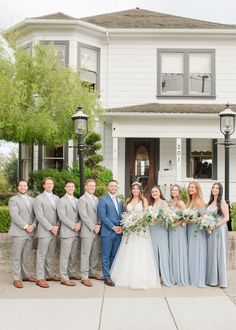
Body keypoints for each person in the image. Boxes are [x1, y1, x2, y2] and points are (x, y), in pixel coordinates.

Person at [110, 182, 160, 289]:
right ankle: (126, 277)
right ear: (131, 190)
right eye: (134, 189)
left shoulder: (144, 200)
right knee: (128, 251)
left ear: (140, 190)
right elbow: (125, 215)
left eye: (137, 189)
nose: (135, 190)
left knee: (140, 251)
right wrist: (127, 223)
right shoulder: (128, 200)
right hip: (129, 231)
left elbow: (147, 215)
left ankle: (141, 278)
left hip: (140, 230)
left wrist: (137, 222)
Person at [8, 180, 37, 288]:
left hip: (30, 232)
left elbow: (36, 215)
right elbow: (14, 216)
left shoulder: (33, 200)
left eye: (24, 185)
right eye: (21, 186)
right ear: (17, 187)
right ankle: (16, 278)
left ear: (27, 187)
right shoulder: (13, 200)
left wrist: (33, 226)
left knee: (26, 256)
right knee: (17, 256)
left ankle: (25, 275)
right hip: (19, 232)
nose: (23, 187)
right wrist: (26, 226)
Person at [34, 177, 60, 288]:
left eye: (51, 184)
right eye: (47, 184)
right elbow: (40, 216)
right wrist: (50, 227)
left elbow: (60, 214)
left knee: (50, 255)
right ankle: (40, 278)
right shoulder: (38, 198)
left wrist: (57, 226)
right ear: (44, 186)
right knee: (41, 255)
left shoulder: (57, 198)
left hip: (55, 230)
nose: (50, 185)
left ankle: (49, 275)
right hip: (45, 231)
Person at [98, 180, 124, 286]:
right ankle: (107, 277)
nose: (113, 188)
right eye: (111, 186)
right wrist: (113, 227)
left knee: (114, 255)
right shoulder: (103, 200)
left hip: (118, 233)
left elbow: (122, 215)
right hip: (108, 232)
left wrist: (121, 227)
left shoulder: (120, 201)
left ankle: (113, 273)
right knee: (106, 255)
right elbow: (103, 216)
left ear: (117, 187)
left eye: (115, 186)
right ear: (108, 187)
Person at [78, 179, 103, 287]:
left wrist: (99, 225)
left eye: (93, 186)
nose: (92, 187)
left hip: (96, 230)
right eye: (90, 186)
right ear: (86, 187)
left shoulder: (96, 198)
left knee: (94, 253)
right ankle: (84, 277)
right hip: (87, 231)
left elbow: (99, 213)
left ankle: (93, 273)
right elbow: (83, 216)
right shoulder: (82, 199)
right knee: (85, 254)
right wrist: (93, 227)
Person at [57, 180, 81, 287]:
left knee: (73, 255)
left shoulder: (77, 200)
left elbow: (81, 215)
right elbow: (62, 217)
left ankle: (72, 273)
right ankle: (64, 277)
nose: (71, 188)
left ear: (74, 188)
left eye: (72, 186)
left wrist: (79, 224)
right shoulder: (61, 201)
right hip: (67, 232)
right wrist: (73, 225)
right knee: (65, 256)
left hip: (76, 232)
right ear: (65, 188)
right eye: (69, 186)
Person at [149, 185, 173, 287]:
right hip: (152, 231)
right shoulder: (151, 204)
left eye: (156, 191)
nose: (154, 193)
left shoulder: (164, 203)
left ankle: (165, 277)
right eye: (153, 192)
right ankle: (156, 277)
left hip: (161, 230)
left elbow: (166, 217)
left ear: (160, 192)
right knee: (154, 254)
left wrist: (156, 220)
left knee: (163, 254)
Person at [206, 182, 229, 288]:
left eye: (217, 188)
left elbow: (226, 218)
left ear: (220, 191)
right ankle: (213, 279)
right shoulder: (210, 202)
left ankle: (222, 280)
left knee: (219, 253)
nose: (214, 189)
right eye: (213, 188)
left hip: (219, 230)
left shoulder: (222, 202)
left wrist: (215, 225)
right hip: (210, 231)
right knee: (212, 253)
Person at [187, 181, 206, 288]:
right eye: (189, 187)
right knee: (191, 253)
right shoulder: (189, 201)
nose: (190, 189)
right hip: (189, 229)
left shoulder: (199, 201)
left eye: (192, 187)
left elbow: (203, 217)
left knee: (197, 253)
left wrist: (191, 219)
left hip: (196, 230)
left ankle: (197, 277)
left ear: (197, 189)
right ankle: (192, 276)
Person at [169, 184, 189, 286]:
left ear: (179, 192)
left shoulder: (181, 203)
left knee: (179, 251)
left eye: (176, 190)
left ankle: (180, 276)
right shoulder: (170, 203)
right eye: (172, 190)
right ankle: (173, 276)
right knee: (172, 252)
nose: (174, 191)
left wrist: (175, 224)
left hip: (178, 230)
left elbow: (185, 218)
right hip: (171, 230)